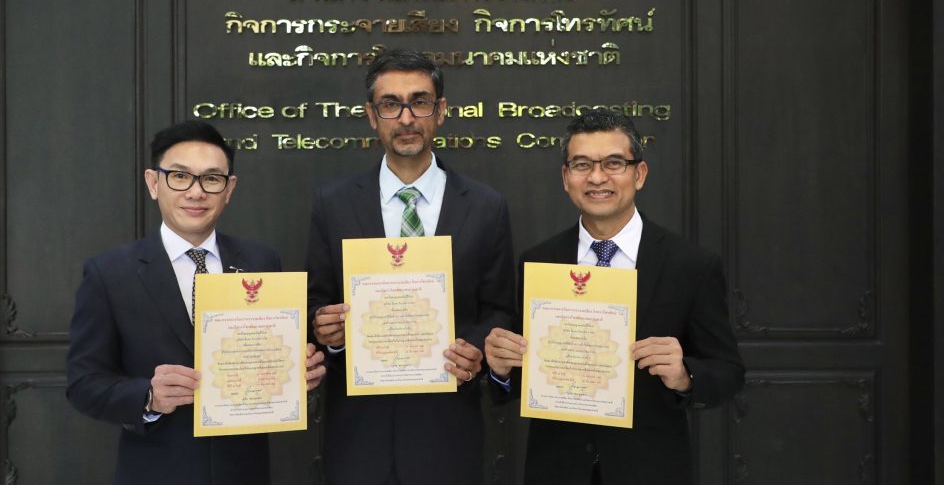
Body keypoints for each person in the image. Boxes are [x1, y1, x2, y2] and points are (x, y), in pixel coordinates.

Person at [484, 109, 744, 485]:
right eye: (582, 164)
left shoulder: (691, 265)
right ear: (566, 177)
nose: (597, 177)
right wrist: (502, 370)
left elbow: (728, 372)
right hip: (556, 470)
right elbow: (525, 373)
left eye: (613, 163)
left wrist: (685, 375)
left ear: (639, 174)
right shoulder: (537, 261)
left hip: (650, 470)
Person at [66, 120, 326, 485]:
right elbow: (83, 384)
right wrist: (148, 396)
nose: (196, 192)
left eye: (211, 179)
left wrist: (300, 370)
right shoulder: (109, 273)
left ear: (229, 189)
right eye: (180, 177)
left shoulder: (261, 261)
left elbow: (274, 357)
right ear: (153, 183)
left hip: (244, 471)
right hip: (156, 473)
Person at [307, 48, 515, 485]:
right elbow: (315, 305)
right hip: (357, 436)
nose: (406, 118)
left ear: (441, 111)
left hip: (447, 433)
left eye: (420, 102)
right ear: (372, 115)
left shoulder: (486, 207)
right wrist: (328, 333)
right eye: (390, 104)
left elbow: (499, 310)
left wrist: (476, 350)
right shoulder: (333, 204)